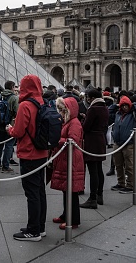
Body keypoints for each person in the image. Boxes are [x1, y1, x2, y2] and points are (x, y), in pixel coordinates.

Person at [7, 74, 48, 241]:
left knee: (31, 193)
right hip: (42, 152)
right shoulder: (41, 102)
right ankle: (40, 226)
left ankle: (33, 231)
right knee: (40, 191)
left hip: (29, 153)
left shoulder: (25, 105)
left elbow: (18, 132)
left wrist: (9, 129)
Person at [50, 97, 84, 229]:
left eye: (63, 110)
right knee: (66, 189)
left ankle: (73, 220)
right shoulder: (68, 121)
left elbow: (72, 141)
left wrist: (56, 140)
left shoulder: (74, 123)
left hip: (72, 159)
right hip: (65, 157)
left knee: (72, 191)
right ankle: (66, 215)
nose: (61, 113)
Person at [79, 89, 108, 209]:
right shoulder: (104, 108)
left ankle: (92, 198)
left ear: (91, 98)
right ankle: (99, 194)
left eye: (87, 97)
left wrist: (83, 120)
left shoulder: (93, 108)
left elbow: (86, 127)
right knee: (99, 168)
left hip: (92, 141)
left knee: (92, 170)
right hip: (100, 139)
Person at [111, 95, 136, 193]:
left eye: (126, 105)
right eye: (123, 105)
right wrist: (115, 105)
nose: (125, 107)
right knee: (118, 164)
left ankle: (130, 185)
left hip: (130, 142)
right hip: (118, 142)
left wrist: (135, 104)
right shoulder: (118, 114)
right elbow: (108, 112)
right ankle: (121, 182)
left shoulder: (134, 114)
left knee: (130, 165)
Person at [0, 81, 18, 174]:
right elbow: (17, 111)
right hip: (10, 124)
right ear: (12, 87)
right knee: (9, 145)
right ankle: (5, 165)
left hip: (0, 124)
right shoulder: (14, 98)